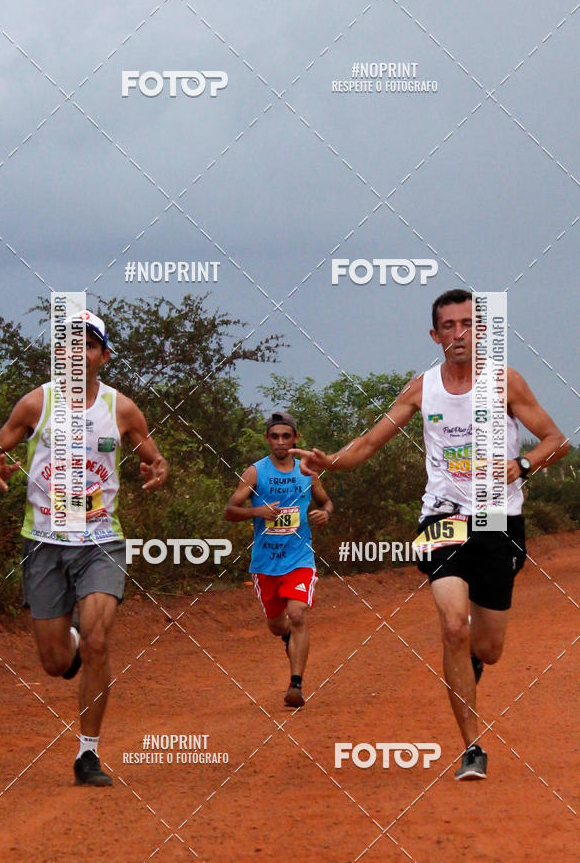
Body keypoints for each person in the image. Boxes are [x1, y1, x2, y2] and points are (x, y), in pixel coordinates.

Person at [290, 289, 567, 778]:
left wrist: (520, 465)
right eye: (449, 326)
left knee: (489, 648)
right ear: (435, 335)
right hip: (442, 518)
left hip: (498, 521)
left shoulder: (504, 381)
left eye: (468, 324)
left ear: (481, 331)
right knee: (453, 626)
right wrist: (331, 461)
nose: (459, 334)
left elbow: (556, 441)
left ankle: (472, 661)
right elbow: (369, 442)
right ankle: (472, 748)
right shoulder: (423, 388)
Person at [0, 310, 168, 786]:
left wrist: (156, 469)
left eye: (88, 345)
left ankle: (88, 754)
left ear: (104, 356)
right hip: (44, 542)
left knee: (98, 638)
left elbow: (153, 455)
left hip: (101, 540)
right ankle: (73, 649)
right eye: (68, 345)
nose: (77, 353)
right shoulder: (36, 403)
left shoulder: (121, 409)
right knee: (55, 663)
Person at [225, 411, 333, 707]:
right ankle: (287, 637)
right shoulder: (255, 473)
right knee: (276, 625)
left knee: (297, 615)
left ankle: (295, 685)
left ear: (296, 438)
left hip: (299, 559)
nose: (281, 442)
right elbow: (230, 510)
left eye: (286, 436)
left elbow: (326, 501)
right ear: (267, 439)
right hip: (266, 563)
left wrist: (325, 513)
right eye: (275, 437)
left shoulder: (307, 471)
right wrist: (256, 512)